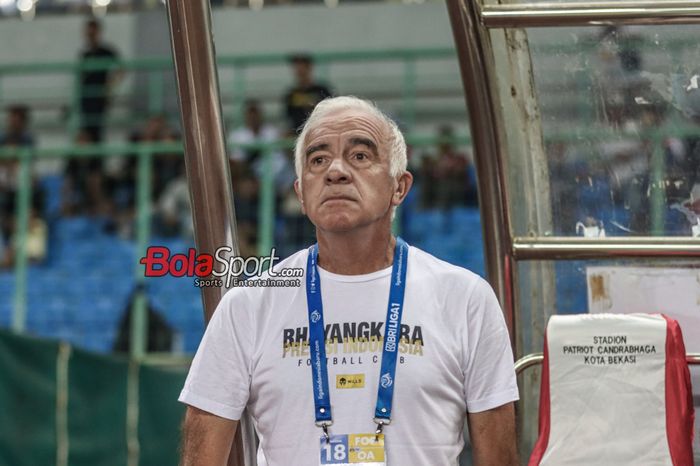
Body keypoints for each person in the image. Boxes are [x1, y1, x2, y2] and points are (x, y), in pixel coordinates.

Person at [178, 96, 519, 465]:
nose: (335, 172)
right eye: (318, 159)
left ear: (399, 188)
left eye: (359, 156)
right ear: (301, 194)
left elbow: (499, 459)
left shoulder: (466, 299)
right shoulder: (248, 305)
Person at [78, 18, 122, 143]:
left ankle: (97, 160)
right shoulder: (84, 54)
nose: (90, 36)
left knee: (97, 130)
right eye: (88, 33)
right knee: (86, 131)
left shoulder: (106, 52)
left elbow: (121, 69)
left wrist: (109, 87)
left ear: (98, 32)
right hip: (86, 98)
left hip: (99, 97)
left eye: (92, 33)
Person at [283, 54, 333, 134]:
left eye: (302, 66)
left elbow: (331, 112)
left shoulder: (322, 90)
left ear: (309, 67)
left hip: (320, 131)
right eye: (296, 67)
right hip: (298, 134)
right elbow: (289, 117)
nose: (299, 70)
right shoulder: (291, 94)